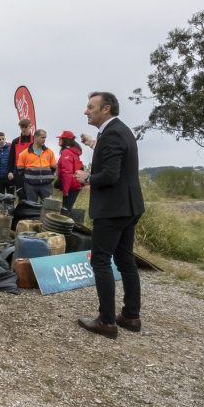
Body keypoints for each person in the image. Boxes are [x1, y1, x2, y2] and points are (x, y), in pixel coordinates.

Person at [75, 92, 145, 338]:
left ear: (106, 109)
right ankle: (131, 316)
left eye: (90, 107)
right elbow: (115, 159)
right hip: (129, 207)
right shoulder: (117, 131)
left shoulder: (113, 133)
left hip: (113, 210)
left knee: (100, 261)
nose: (86, 111)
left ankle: (106, 322)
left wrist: (87, 179)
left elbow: (111, 175)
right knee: (125, 260)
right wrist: (95, 144)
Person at [16, 129, 57, 203]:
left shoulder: (50, 152)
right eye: (42, 137)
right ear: (35, 137)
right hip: (30, 186)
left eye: (45, 137)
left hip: (46, 185)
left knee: (48, 207)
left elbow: (53, 167)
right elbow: (20, 171)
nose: (44, 139)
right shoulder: (24, 153)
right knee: (31, 207)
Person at [56, 131, 85, 216]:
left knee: (65, 211)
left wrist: (65, 190)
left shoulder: (66, 152)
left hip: (71, 186)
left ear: (65, 140)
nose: (59, 140)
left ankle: (65, 228)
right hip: (75, 185)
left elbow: (67, 172)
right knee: (68, 209)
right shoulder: (73, 152)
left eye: (60, 138)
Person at [6, 118, 35, 198]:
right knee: (20, 193)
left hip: (32, 171)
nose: (23, 129)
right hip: (18, 171)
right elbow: (11, 158)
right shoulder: (15, 141)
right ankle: (22, 209)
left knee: (30, 194)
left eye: (26, 127)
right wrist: (10, 171)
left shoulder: (35, 141)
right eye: (22, 127)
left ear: (30, 127)